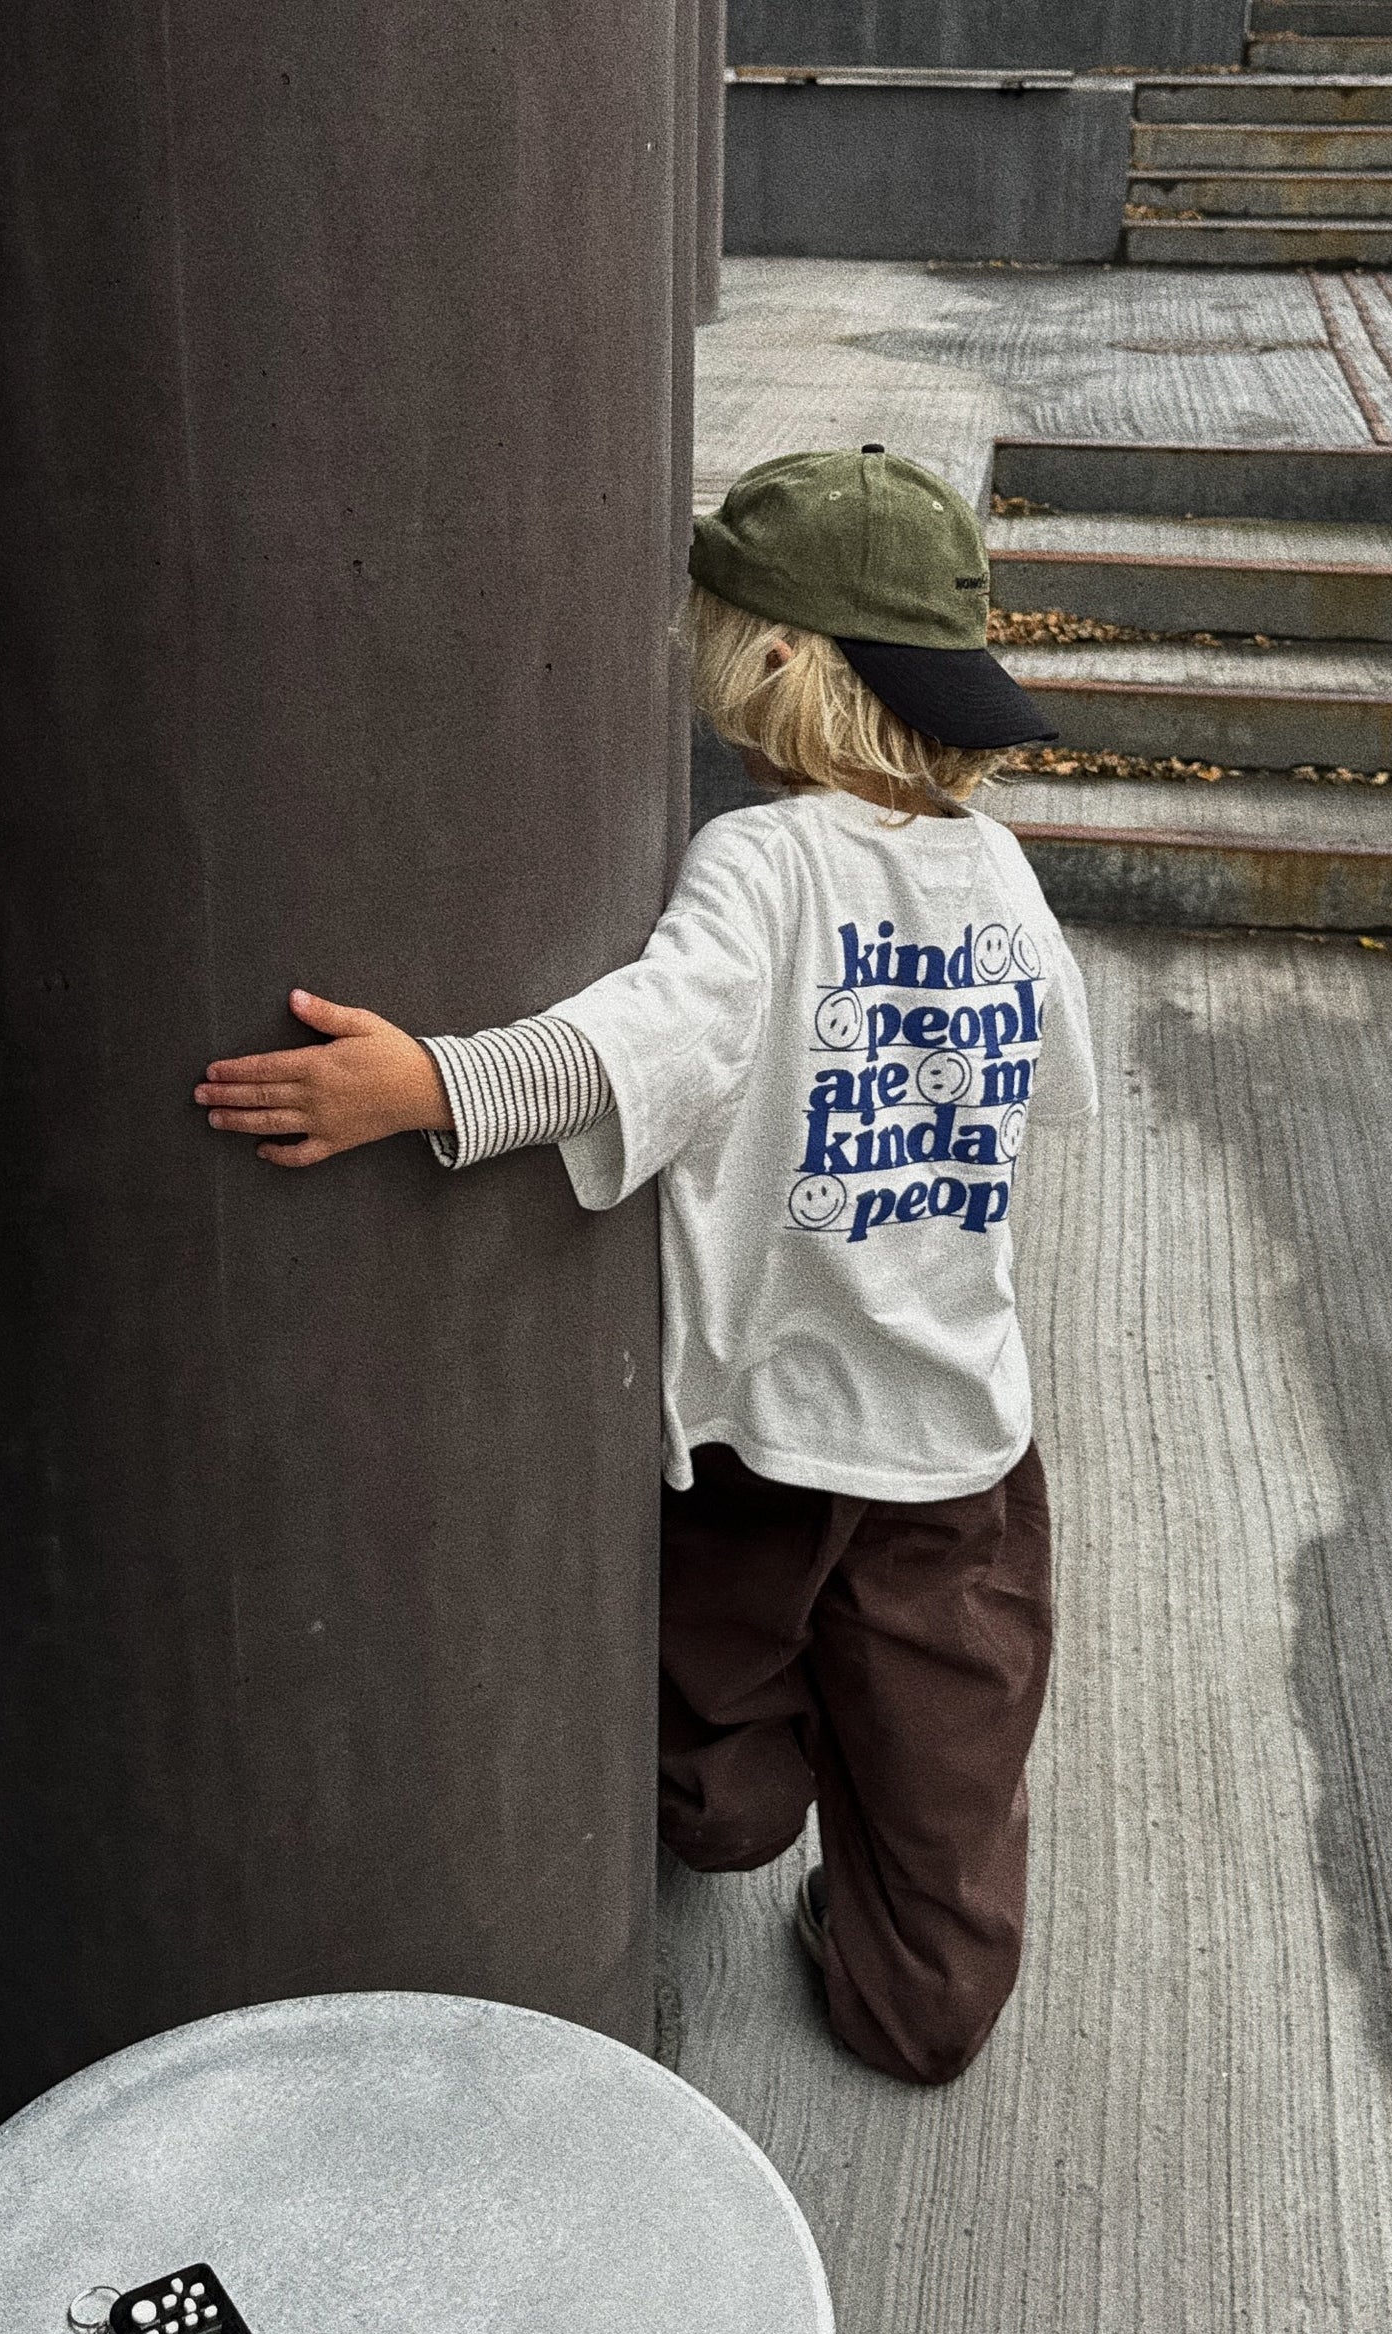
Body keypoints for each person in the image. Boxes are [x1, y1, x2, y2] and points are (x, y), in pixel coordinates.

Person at [193, 446, 1097, 2085]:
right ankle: (871, 1826)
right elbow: (1056, 1081)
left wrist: (424, 1085)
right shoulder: (1000, 870)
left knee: (722, 1811)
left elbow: (633, 1045)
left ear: (773, 660)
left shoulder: (757, 862)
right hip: (914, 1446)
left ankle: (815, 1770)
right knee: (869, 1842)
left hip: (824, 1458)